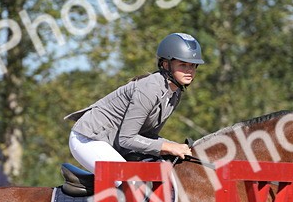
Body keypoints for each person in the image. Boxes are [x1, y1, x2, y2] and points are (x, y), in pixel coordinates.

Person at [65, 32, 203, 171]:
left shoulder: (175, 93)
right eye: (183, 65)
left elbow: (147, 136)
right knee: (129, 179)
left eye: (193, 65)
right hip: (89, 138)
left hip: (114, 143)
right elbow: (126, 138)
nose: (189, 71)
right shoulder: (149, 89)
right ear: (166, 65)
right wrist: (169, 147)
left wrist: (177, 146)